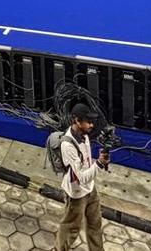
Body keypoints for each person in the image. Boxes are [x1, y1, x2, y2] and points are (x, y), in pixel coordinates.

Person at [55, 104, 110, 251]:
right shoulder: (68, 145)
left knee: (95, 225)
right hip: (76, 194)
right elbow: (82, 177)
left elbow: (87, 162)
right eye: (88, 122)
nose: (92, 125)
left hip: (90, 189)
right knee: (71, 228)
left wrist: (99, 160)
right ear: (76, 121)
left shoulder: (84, 135)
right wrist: (99, 164)